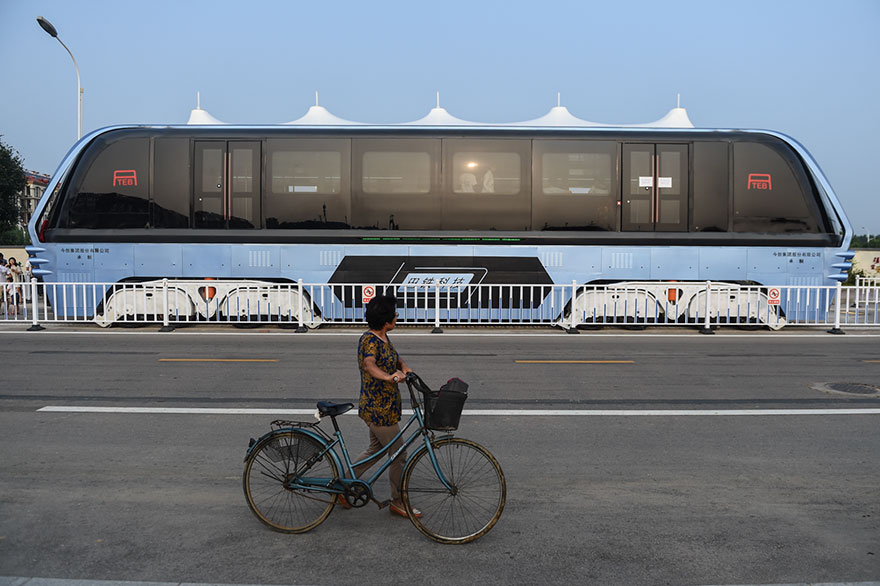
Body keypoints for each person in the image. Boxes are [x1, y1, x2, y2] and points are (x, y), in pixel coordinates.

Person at [351, 294, 419, 518]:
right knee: (398, 454)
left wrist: (405, 367)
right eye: (395, 315)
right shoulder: (369, 340)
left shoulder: (384, 338)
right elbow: (370, 365)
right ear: (386, 320)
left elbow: (395, 358)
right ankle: (398, 501)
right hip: (377, 409)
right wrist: (391, 378)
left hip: (386, 407)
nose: (397, 318)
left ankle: (345, 484)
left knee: (376, 450)